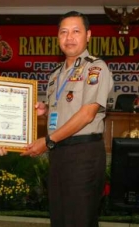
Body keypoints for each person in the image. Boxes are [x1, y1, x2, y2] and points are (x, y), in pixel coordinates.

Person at [20, 11, 114, 227]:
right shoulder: (56, 74)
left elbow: (87, 114)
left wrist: (48, 141)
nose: (69, 37)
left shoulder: (95, 68)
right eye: (63, 32)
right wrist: (44, 109)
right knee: (60, 218)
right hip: (58, 153)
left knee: (80, 219)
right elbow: (62, 110)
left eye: (75, 31)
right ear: (58, 37)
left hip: (83, 154)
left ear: (88, 35)